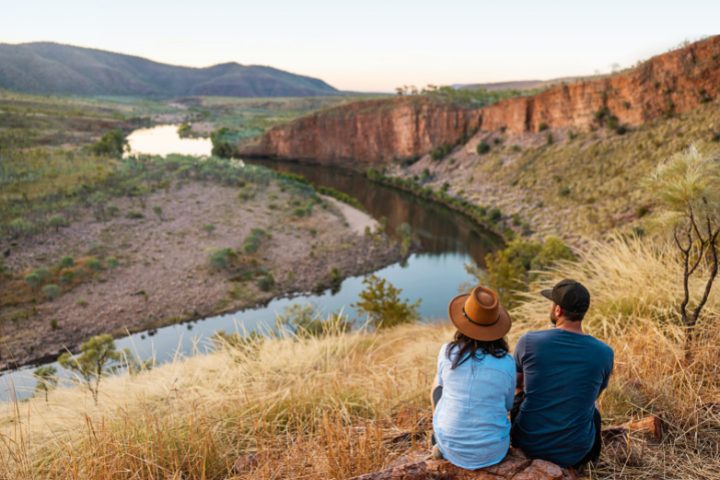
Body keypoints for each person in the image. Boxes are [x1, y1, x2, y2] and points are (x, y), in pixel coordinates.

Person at [511, 279, 614, 469]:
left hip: (527, 444)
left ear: (557, 310)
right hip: (576, 453)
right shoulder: (605, 352)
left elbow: (515, 384)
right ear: (583, 312)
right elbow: (595, 395)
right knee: (593, 408)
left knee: (520, 393)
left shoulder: (529, 342)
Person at [431, 285, 516, 469]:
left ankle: (439, 443)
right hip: (494, 451)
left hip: (450, 446)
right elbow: (508, 405)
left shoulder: (447, 351)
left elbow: (443, 388)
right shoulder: (507, 362)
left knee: (437, 386)